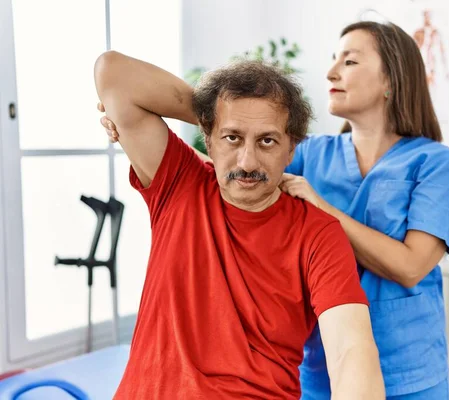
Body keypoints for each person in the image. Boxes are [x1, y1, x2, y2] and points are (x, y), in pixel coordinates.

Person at [94, 51, 384, 399]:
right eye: (232, 138)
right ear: (209, 140)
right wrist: (219, 113)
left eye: (267, 140)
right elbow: (114, 73)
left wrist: (232, 120)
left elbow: (350, 349)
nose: (247, 162)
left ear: (291, 149)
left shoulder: (318, 233)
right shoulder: (179, 184)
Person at [279, 21, 449, 399]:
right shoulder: (309, 153)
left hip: (408, 372)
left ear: (391, 80)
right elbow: (238, 175)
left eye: (349, 61)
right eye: (334, 60)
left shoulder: (435, 163)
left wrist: (321, 208)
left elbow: (411, 266)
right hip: (321, 367)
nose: (331, 72)